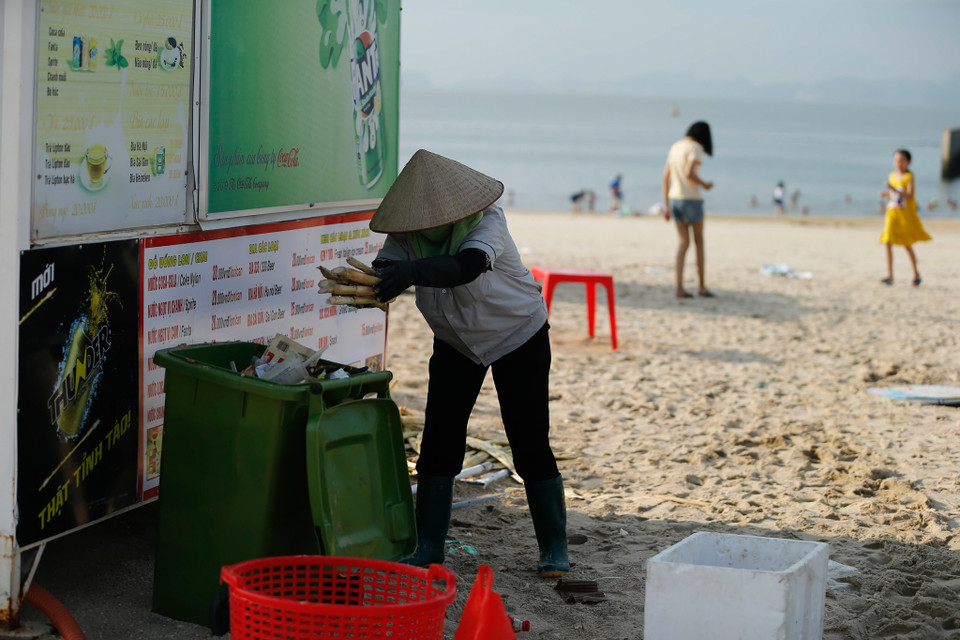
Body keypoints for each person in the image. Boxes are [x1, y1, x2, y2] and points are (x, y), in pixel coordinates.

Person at [368, 149, 569, 578]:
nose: (420, 224)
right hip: (456, 341)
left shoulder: (488, 221)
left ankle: (554, 548)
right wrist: (378, 279)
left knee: (528, 440)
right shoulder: (407, 235)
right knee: (439, 440)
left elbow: (465, 267)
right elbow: (387, 265)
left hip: (519, 334)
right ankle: (429, 547)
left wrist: (410, 273)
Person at [662, 121, 714, 298]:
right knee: (699, 243)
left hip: (674, 198)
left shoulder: (675, 147)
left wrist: (666, 206)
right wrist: (705, 184)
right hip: (691, 199)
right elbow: (689, 172)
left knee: (683, 243)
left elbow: (665, 178)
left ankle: (679, 287)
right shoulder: (695, 147)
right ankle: (701, 285)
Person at [878, 149, 931, 286]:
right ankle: (890, 276)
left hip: (905, 215)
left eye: (902, 160)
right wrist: (886, 194)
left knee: (907, 244)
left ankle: (916, 274)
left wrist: (893, 189)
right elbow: (894, 195)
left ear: (908, 162)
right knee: (887, 242)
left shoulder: (909, 177)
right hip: (892, 213)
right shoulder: (892, 176)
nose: (898, 163)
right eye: (896, 160)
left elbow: (910, 196)